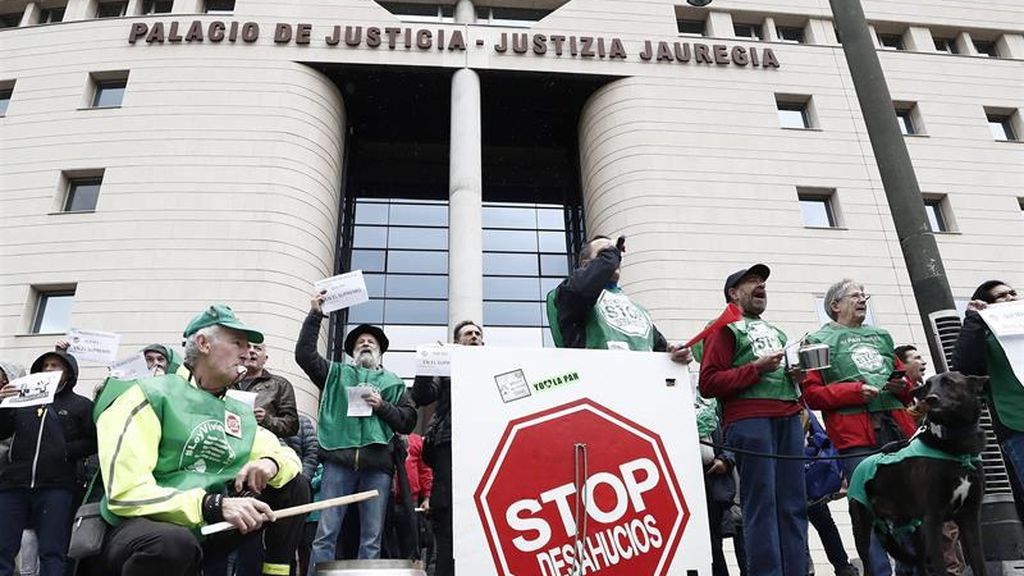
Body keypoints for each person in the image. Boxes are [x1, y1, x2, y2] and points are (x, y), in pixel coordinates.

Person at [90, 304, 309, 576]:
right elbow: (126, 494)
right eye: (237, 342)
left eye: (250, 346)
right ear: (203, 343)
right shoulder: (148, 394)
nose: (248, 351)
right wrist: (212, 505)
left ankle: (276, 572)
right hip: (140, 526)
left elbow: (289, 457)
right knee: (171, 543)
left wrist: (269, 463)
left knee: (292, 483)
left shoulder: (237, 409)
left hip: (206, 525)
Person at [698, 264, 807, 576]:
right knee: (762, 505)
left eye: (763, 282)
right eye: (752, 282)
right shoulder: (724, 328)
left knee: (794, 504)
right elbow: (709, 382)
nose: (761, 285)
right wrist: (756, 368)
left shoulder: (778, 333)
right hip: (750, 420)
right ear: (733, 293)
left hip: (788, 417)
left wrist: (796, 377)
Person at [803, 279, 917, 576]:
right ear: (835, 305)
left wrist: (902, 385)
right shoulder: (818, 339)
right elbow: (812, 393)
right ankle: (879, 572)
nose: (862, 299)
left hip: (896, 430)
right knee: (867, 509)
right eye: (854, 295)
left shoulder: (881, 336)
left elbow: (906, 387)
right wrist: (854, 391)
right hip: (856, 437)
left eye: (864, 294)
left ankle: (912, 570)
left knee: (909, 506)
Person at [297, 292, 418, 572]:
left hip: (377, 467)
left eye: (371, 342)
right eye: (360, 341)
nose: (365, 343)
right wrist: (316, 315)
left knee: (372, 537)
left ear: (379, 351)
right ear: (353, 351)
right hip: (338, 463)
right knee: (325, 533)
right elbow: (304, 355)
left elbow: (408, 420)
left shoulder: (394, 382)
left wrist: (381, 405)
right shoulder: (335, 374)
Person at [0, 349, 96, 576]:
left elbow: (93, 442)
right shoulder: (19, 399)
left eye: (56, 365)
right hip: (13, 485)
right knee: (3, 548)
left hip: (56, 487)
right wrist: (2, 404)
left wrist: (64, 451)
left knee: (53, 551)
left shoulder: (80, 404)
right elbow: (2, 431)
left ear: (69, 373)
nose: (50, 369)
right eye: (46, 365)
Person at [546, 236, 691, 363]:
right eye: (605, 253)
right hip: (598, 385)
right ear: (585, 265)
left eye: (615, 254)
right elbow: (582, 287)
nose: (614, 258)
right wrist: (612, 254)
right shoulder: (569, 294)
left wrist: (675, 353)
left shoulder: (638, 310)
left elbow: (661, 351)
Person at [412, 319, 482, 576]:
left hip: (484, 447)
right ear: (457, 342)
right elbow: (422, 397)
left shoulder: (494, 365)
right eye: (467, 334)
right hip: (449, 446)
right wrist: (428, 361)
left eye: (477, 333)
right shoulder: (447, 368)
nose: (473, 336)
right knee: (448, 519)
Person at [953, 281, 1024, 520]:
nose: (1011, 297)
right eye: (1001, 296)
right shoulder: (983, 335)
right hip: (1016, 420)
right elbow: (965, 367)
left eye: (1013, 293)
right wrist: (973, 320)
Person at [236, 342, 299, 439]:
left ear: (265, 359)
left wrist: (267, 420)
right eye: (248, 347)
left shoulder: (280, 385)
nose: (252, 350)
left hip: (261, 446)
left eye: (257, 348)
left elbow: (292, 425)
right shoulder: (227, 382)